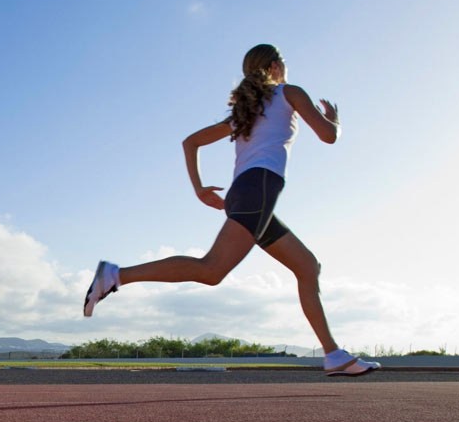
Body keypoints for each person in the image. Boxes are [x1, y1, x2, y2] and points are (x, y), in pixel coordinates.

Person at [83, 44, 379, 377]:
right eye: (283, 62)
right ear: (273, 66)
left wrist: (198, 188)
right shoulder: (289, 93)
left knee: (307, 266)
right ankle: (116, 275)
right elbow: (328, 136)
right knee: (211, 270)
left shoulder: (246, 112)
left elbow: (190, 142)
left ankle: (333, 354)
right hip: (259, 190)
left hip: (247, 193)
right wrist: (334, 120)